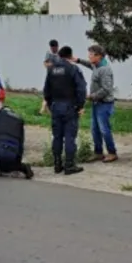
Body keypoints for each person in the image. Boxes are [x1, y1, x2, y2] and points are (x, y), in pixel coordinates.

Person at [43, 45, 86, 174]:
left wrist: (50, 104)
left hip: (56, 106)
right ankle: (69, 165)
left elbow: (46, 90)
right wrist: (80, 105)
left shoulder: (51, 70)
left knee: (57, 136)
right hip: (70, 107)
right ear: (70, 56)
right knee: (69, 136)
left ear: (59, 56)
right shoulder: (73, 69)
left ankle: (57, 165)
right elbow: (81, 89)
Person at [72, 44, 117, 162]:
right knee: (94, 129)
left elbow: (106, 89)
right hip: (97, 103)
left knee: (104, 129)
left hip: (104, 104)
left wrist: (92, 96)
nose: (89, 57)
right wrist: (77, 60)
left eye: (91, 55)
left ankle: (112, 152)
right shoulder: (96, 65)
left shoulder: (105, 70)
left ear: (99, 56)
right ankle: (98, 152)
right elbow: (89, 64)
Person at [40, 39, 59, 115]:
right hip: (50, 76)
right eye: (52, 48)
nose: (53, 49)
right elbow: (45, 63)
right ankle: (43, 109)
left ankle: (47, 110)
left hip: (58, 77)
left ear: (57, 47)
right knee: (47, 92)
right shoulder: (48, 53)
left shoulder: (60, 54)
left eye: (54, 48)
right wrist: (49, 65)